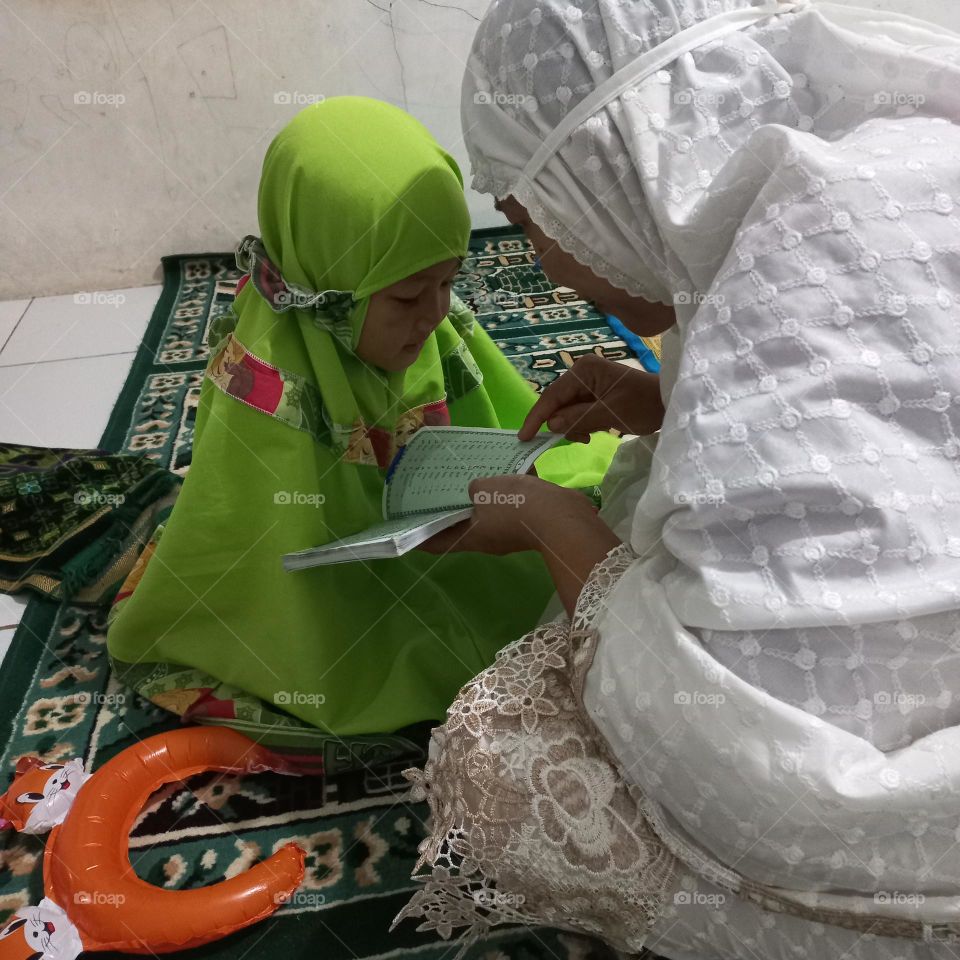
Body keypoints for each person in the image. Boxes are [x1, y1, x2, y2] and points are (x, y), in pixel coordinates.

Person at [393, 1, 960, 956]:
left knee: (501, 762)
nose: (542, 268)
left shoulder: (798, 270)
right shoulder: (878, 158)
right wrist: (667, 401)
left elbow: (759, 777)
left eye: (529, 220)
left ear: (620, 155)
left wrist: (546, 520)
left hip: (902, 833)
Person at [105, 96, 619, 775]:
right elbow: (269, 542)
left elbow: (485, 411)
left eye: (450, 281)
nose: (436, 314)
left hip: (438, 518)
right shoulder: (267, 380)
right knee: (383, 659)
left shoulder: (428, 316)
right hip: (323, 575)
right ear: (329, 284)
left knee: (577, 527)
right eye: (409, 297)